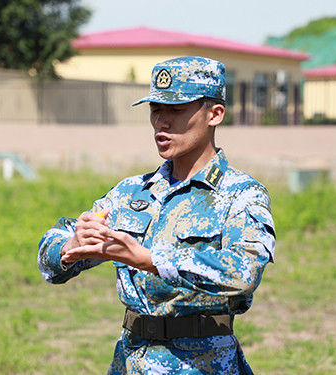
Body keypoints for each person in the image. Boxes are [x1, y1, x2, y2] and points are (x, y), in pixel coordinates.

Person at [37, 56, 276, 374]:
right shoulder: (131, 192)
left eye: (176, 110)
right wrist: (70, 247)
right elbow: (52, 254)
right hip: (130, 362)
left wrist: (150, 259)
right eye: (155, 109)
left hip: (201, 364)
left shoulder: (241, 194)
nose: (162, 122)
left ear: (214, 114)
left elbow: (242, 275)